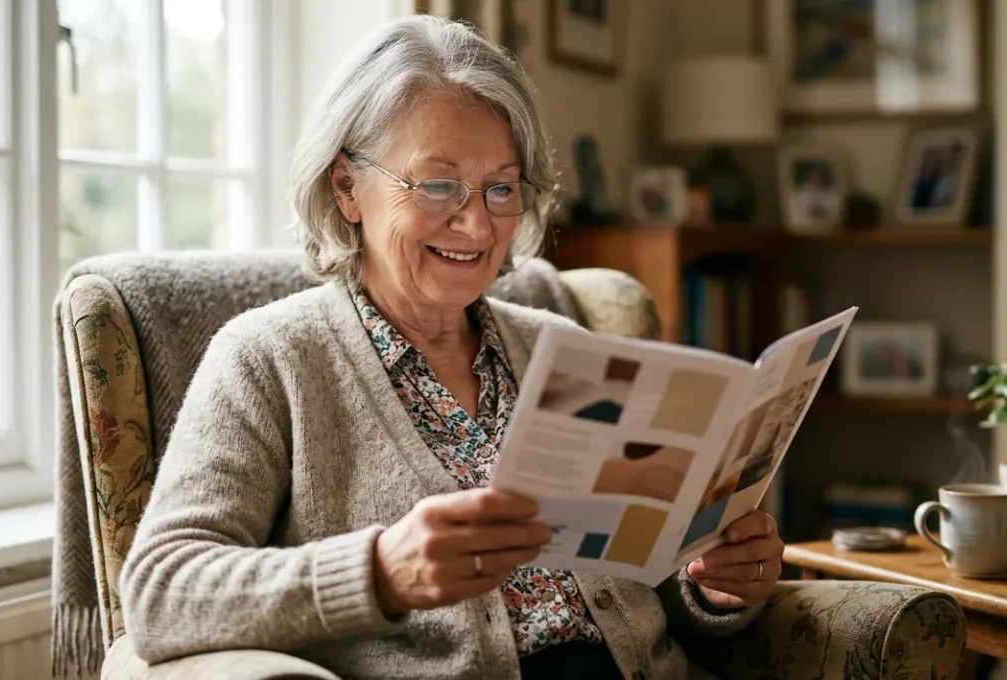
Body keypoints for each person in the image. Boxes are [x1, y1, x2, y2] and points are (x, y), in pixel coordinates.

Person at [118, 14, 783, 680]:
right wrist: (379, 573)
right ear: (346, 187)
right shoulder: (268, 359)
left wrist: (712, 583)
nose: (475, 222)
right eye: (436, 185)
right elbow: (160, 593)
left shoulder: (566, 348)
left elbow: (655, 578)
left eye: (500, 187)